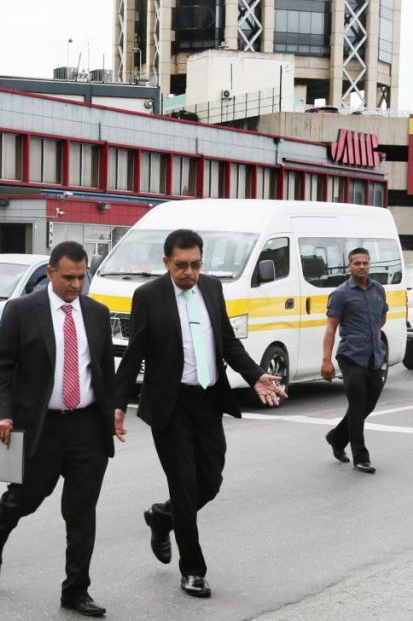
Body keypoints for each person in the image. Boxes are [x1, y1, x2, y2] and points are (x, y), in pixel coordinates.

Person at [114, 229, 287, 598]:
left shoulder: (212, 288)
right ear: (166, 263)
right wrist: (117, 404)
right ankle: (193, 570)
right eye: (181, 265)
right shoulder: (148, 296)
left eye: (195, 264)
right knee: (185, 486)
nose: (189, 272)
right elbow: (135, 352)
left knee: (210, 482)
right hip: (170, 405)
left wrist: (255, 376)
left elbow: (226, 341)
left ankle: (162, 517)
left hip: (208, 401)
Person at [0, 241, 118, 618]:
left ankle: (76, 590)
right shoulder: (22, 311)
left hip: (87, 427)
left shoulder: (97, 313)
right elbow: (0, 367)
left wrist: (114, 412)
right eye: (69, 277)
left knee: (81, 512)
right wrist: (1, 414)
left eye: (82, 276)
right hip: (40, 426)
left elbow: (103, 370)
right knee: (26, 497)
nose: (76, 284)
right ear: (50, 274)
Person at [321, 247, 389, 474]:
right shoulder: (341, 293)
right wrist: (326, 361)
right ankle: (361, 457)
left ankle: (336, 437)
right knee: (358, 403)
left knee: (366, 405)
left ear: (370, 265)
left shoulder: (378, 290)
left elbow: (382, 318)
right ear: (349, 266)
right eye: (357, 263)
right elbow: (331, 329)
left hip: (374, 356)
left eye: (365, 263)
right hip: (350, 356)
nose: (361, 266)